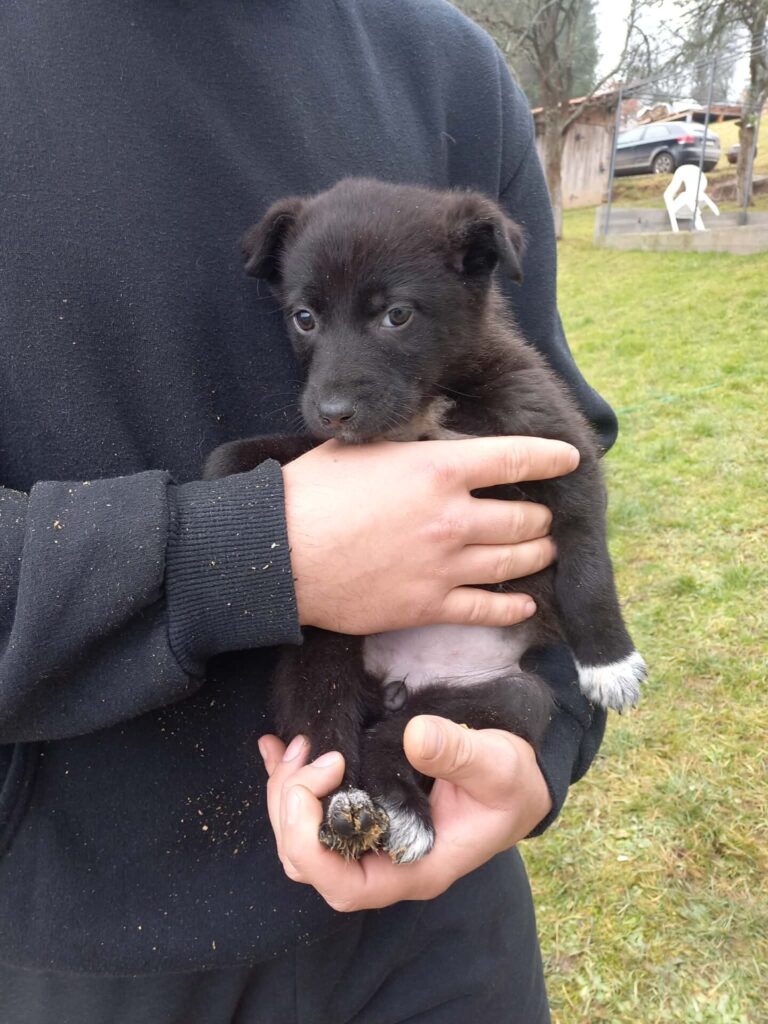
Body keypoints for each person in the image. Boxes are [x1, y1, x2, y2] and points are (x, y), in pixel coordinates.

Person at [0, 1, 614, 1020]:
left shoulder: (447, 65)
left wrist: (540, 743)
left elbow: (548, 435)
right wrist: (244, 552)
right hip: (82, 936)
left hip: (443, 915)